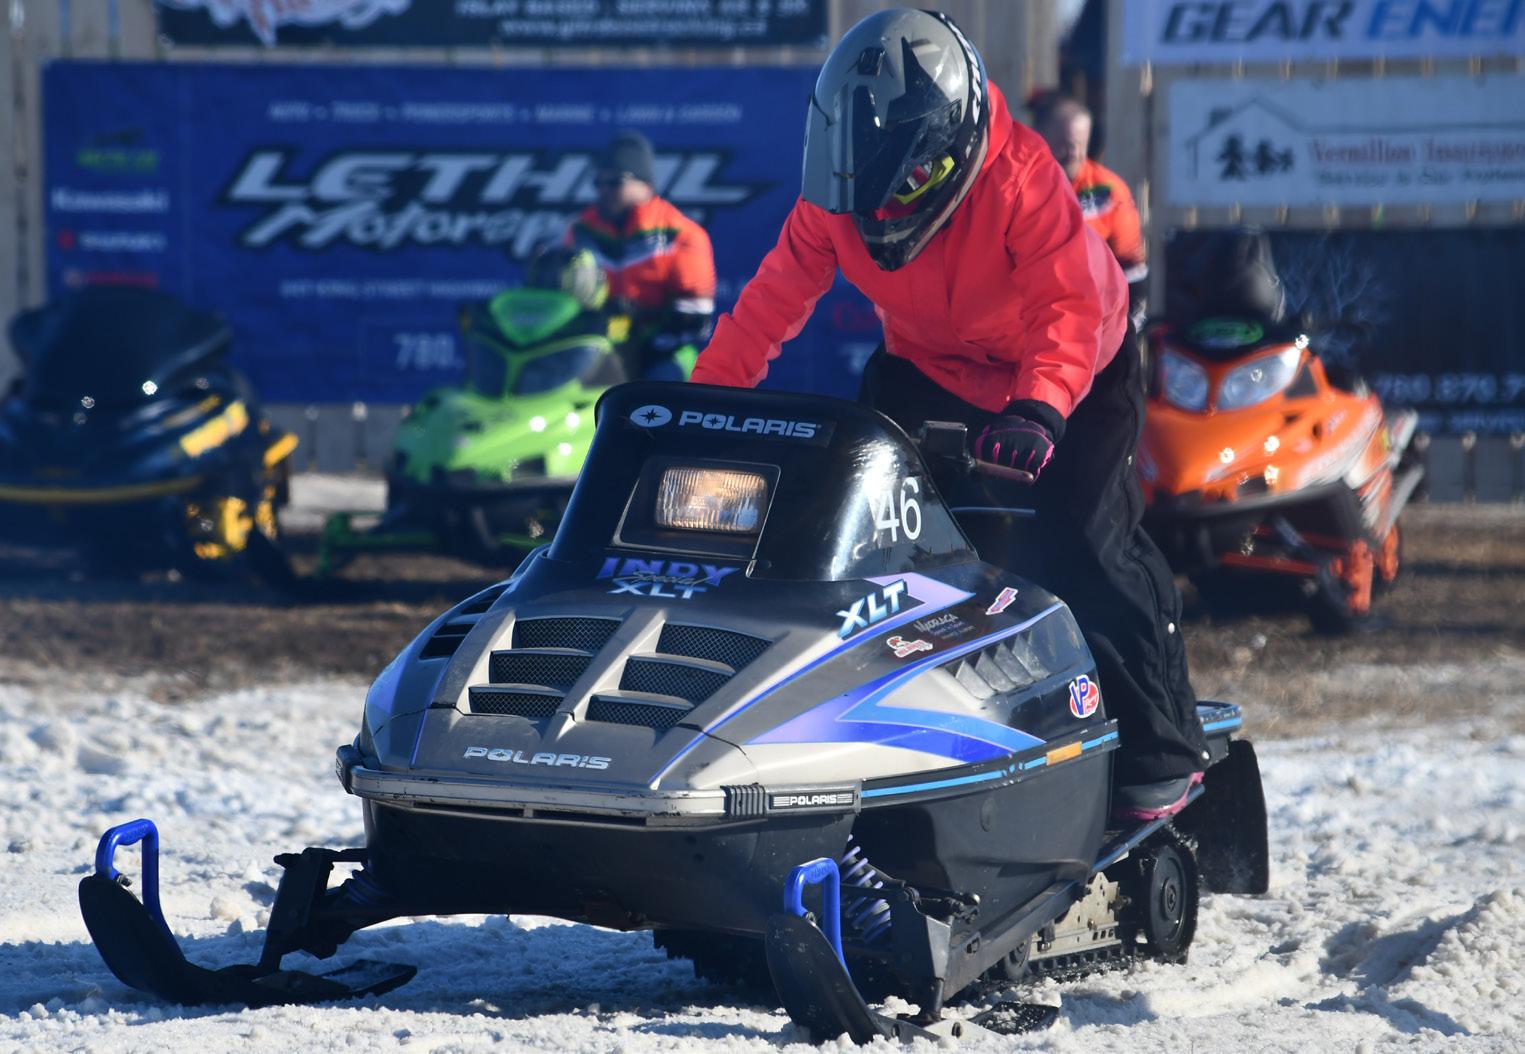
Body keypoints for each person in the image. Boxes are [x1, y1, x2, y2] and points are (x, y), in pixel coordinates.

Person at [689, 8, 1209, 819]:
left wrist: (1039, 407)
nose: (878, 210)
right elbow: (768, 305)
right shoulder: (842, 195)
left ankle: (1162, 746)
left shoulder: (1021, 177)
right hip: (929, 366)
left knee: (1083, 542)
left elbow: (1067, 307)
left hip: (1070, 373)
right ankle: (870, 722)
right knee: (858, 540)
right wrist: (705, 405)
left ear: (944, 152)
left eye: (897, 187)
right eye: (864, 188)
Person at [566, 130, 717, 381]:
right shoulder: (581, 231)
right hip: (593, 347)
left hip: (662, 350)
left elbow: (696, 318)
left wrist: (640, 318)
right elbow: (561, 297)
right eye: (598, 183)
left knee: (659, 387)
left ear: (644, 184)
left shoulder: (680, 234)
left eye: (615, 182)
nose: (604, 190)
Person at [1030, 91, 1149, 328]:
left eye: (1079, 146)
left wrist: (1126, 328)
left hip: (1096, 319)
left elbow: (1131, 264)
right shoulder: (1016, 187)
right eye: (1062, 146)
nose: (1072, 154)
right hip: (1030, 315)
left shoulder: (1107, 190)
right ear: (1039, 139)